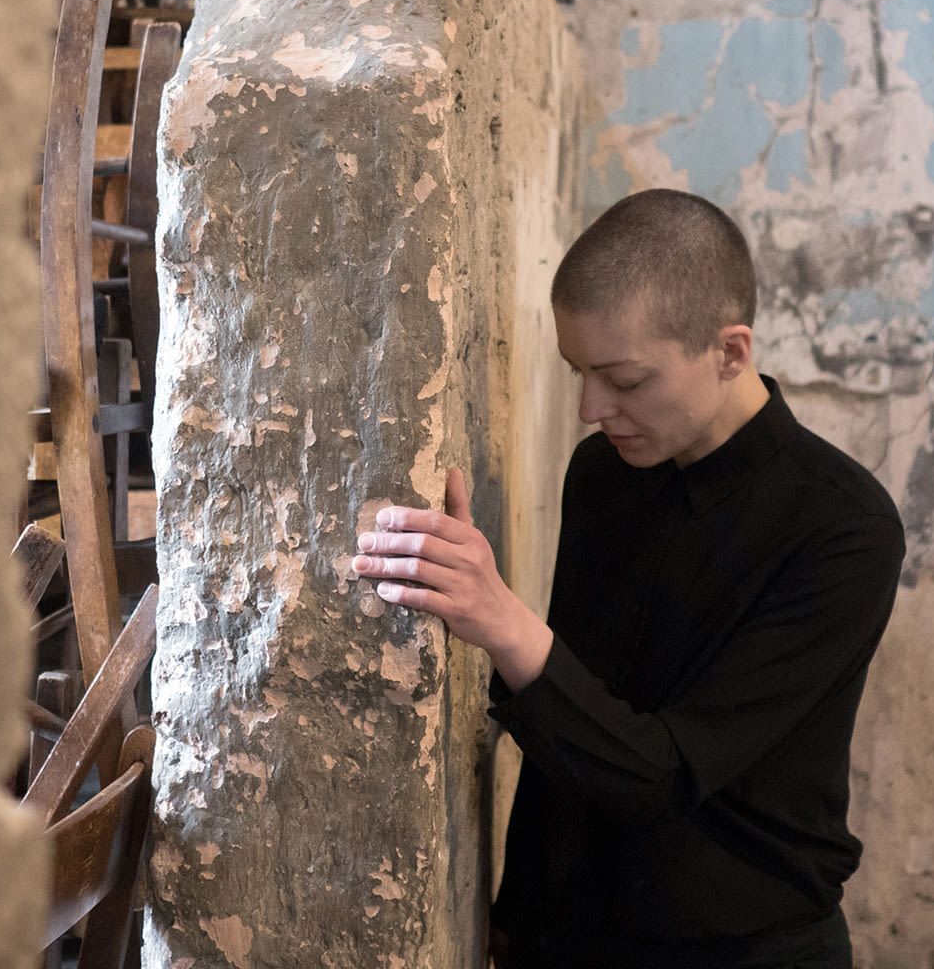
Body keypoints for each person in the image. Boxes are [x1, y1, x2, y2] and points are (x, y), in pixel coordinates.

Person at [352, 188, 906, 969]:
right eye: (578, 371)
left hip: (742, 950)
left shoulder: (845, 529)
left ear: (731, 352)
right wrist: (516, 915)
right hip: (565, 937)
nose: (590, 408)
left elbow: (667, 772)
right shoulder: (605, 473)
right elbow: (574, 732)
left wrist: (502, 620)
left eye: (627, 380)